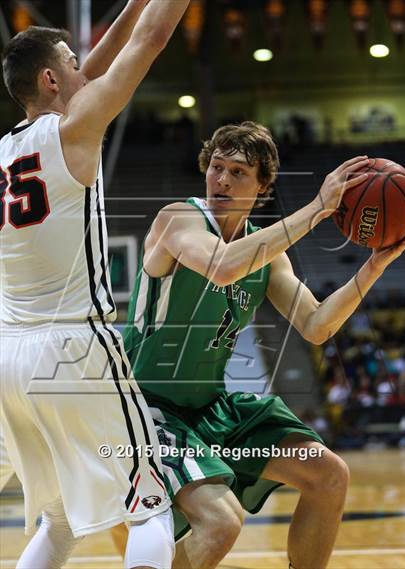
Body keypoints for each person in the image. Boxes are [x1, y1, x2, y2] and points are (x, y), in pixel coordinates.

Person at [118, 122, 405, 569]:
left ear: (262, 187)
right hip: (146, 409)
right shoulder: (178, 218)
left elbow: (316, 326)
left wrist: (375, 265)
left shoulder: (268, 254)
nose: (221, 179)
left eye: (237, 172)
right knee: (221, 524)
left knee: (328, 475)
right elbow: (222, 267)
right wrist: (318, 209)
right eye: (216, 167)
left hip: (209, 409)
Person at [0, 1, 190, 568]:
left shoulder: (6, 151)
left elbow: (92, 72)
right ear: (52, 78)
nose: (87, 67)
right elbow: (152, 40)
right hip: (74, 348)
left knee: (59, 523)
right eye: (72, 60)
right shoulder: (76, 130)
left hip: (9, 356)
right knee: (150, 506)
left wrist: (130, 4)